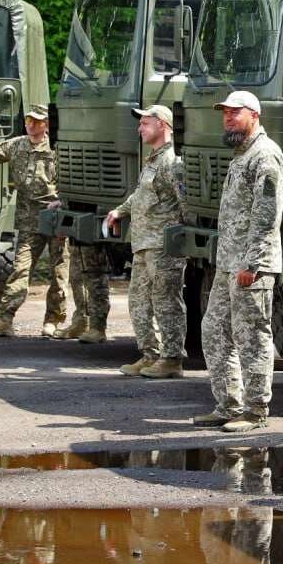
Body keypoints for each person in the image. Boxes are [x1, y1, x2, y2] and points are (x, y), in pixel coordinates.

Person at [192, 90, 283, 432]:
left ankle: (256, 410)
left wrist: (254, 264)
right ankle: (229, 405)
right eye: (225, 114)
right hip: (229, 264)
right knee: (214, 329)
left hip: (251, 267)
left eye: (235, 113)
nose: (228, 118)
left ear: (254, 116)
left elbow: (266, 216)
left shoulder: (265, 155)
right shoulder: (241, 155)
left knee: (252, 337)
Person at [105, 104, 187, 378]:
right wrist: (120, 210)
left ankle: (172, 360)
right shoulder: (153, 159)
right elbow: (142, 195)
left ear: (162, 125)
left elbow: (185, 204)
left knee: (166, 301)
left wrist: (177, 236)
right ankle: (149, 354)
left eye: (145, 124)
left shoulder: (173, 161)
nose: (139, 129)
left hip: (163, 246)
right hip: (142, 243)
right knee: (138, 299)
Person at [0, 104, 69, 337]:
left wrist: (63, 201)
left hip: (57, 217)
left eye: (37, 121)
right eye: (29, 120)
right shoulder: (18, 144)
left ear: (46, 124)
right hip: (29, 220)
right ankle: (5, 320)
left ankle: (53, 321)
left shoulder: (58, 147)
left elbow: (74, 180)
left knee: (59, 273)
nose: (31, 124)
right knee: (20, 269)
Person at [52, 241, 111, 343]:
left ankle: (97, 327)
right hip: (78, 236)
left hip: (94, 236)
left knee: (95, 278)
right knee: (76, 277)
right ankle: (81, 323)